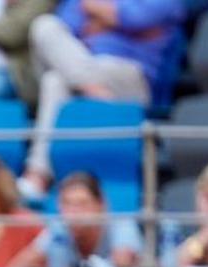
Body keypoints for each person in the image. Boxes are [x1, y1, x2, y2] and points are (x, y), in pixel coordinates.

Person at [16, 1, 186, 201]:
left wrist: (97, 11)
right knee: (45, 28)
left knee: (57, 80)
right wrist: (114, 20)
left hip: (131, 75)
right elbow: (69, 21)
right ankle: (97, 93)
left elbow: (139, 18)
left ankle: (38, 175)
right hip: (87, 64)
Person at [9, 170, 141, 267]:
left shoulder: (122, 225)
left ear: (101, 204)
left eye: (82, 204)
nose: (74, 213)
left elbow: (123, 265)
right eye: (67, 204)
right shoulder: (58, 230)